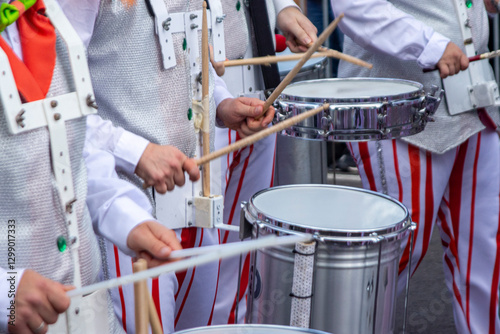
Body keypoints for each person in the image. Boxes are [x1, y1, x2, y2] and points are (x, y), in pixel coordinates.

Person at [59, 0, 275, 332]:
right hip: (124, 207)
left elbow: (188, 52)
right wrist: (135, 151)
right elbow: (57, 104)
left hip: (193, 194)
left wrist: (220, 104)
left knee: (203, 327)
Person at [0, 1, 182, 333]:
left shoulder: (48, 19)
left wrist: (127, 219)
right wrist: (5, 293)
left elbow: (75, 152)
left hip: (91, 313)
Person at [329, 0, 500, 332]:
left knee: (486, 252)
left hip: (477, 102)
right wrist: (431, 45)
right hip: (396, 110)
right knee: (396, 250)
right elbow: (352, 6)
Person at [211, 0, 319, 325]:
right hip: (198, 106)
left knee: (246, 251)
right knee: (204, 265)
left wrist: (282, 7)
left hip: (259, 90)